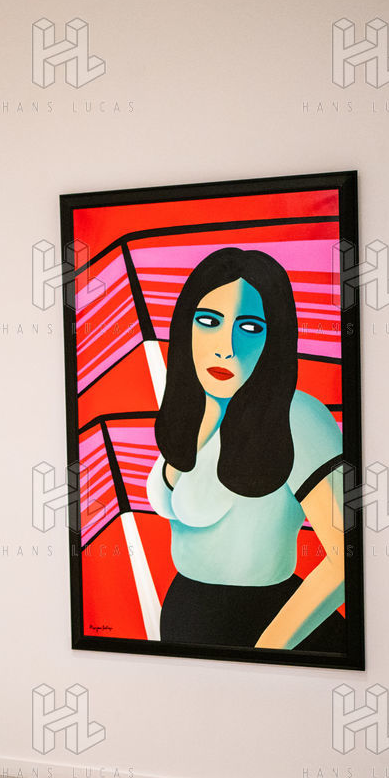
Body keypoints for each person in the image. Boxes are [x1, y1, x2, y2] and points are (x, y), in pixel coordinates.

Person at [146, 247, 345, 651]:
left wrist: (268, 650)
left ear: (275, 338)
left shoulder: (297, 415)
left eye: (250, 327)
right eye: (208, 321)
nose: (227, 347)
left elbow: (346, 557)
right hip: (186, 617)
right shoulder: (193, 411)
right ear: (185, 327)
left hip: (270, 626)